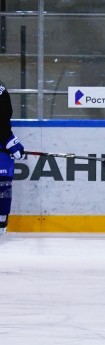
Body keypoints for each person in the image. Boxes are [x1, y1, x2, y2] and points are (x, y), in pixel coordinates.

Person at [0, 81, 25, 235]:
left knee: (3, 183)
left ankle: (1, 219)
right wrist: (10, 141)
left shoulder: (1, 91)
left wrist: (9, 141)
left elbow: (2, 120)